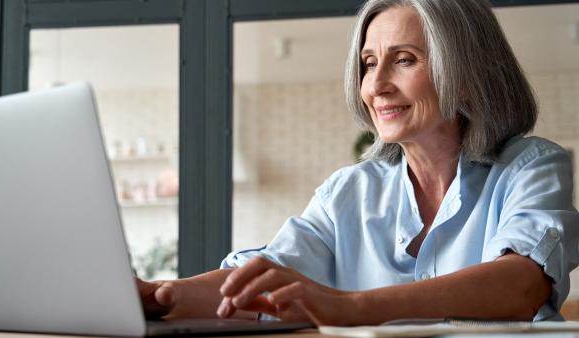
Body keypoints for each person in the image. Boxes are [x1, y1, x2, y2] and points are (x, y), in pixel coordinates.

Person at [139, 0, 579, 325]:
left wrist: (350, 307)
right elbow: (266, 277)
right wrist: (161, 295)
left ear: (466, 76)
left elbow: (520, 285)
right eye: (369, 64)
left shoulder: (530, 166)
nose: (377, 85)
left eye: (403, 60)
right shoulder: (347, 192)